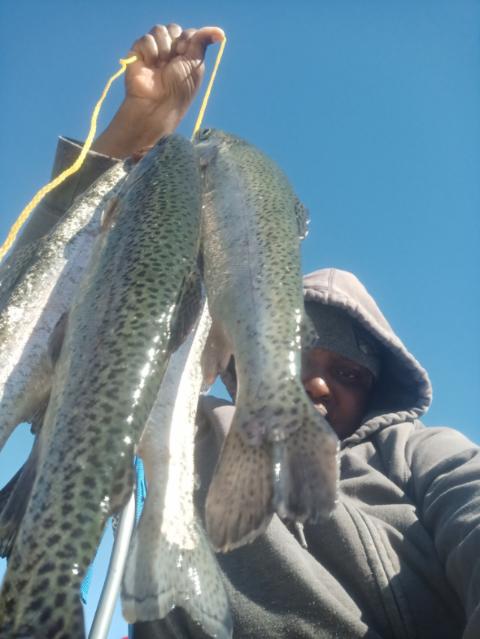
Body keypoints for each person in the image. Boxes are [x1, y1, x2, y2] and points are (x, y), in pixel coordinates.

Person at [13, 24, 479, 639]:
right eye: (300, 354)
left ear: (379, 387)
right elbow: (39, 311)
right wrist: (134, 134)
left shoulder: (421, 454)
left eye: (348, 372)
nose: (317, 383)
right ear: (238, 347)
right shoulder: (186, 420)